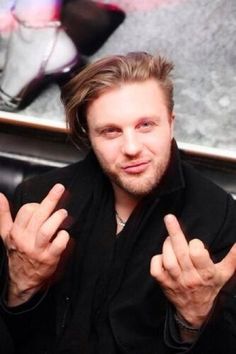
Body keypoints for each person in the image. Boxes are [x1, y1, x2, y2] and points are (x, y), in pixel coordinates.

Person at [0, 52, 236, 353]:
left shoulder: (218, 215)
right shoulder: (37, 199)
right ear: (89, 135)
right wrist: (20, 286)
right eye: (110, 131)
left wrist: (195, 317)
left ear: (171, 124)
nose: (132, 148)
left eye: (146, 125)